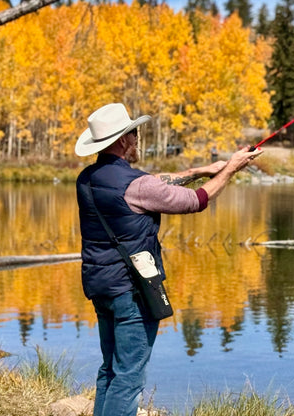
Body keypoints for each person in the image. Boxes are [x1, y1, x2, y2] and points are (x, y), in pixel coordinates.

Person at [75, 103, 262, 416]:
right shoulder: (136, 184)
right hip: (131, 292)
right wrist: (231, 169)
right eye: (134, 135)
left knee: (110, 369)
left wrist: (199, 171)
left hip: (99, 286)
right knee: (129, 377)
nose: (137, 140)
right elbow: (196, 201)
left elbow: (155, 182)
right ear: (123, 141)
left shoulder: (87, 178)